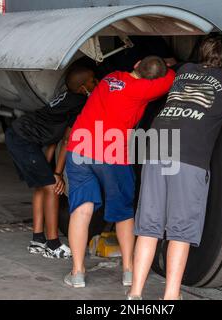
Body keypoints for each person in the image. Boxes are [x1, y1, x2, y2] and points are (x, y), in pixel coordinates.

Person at [129, 37, 222, 300]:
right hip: (188, 158)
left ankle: (135, 294)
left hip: (156, 148)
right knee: (180, 232)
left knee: (149, 228)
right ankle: (171, 296)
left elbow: (169, 66)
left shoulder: (184, 71)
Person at [64, 56, 176, 288]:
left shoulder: (110, 78)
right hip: (111, 152)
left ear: (135, 65)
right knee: (123, 212)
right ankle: (128, 270)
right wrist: (169, 65)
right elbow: (170, 77)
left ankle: (77, 272)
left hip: (79, 147)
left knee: (82, 211)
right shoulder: (146, 88)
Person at [5, 66, 98, 259]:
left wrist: (49, 168)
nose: (95, 82)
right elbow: (66, 140)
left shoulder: (67, 96)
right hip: (23, 139)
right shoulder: (80, 103)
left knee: (42, 186)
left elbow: (53, 139)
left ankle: (38, 240)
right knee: (52, 188)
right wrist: (57, 174)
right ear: (82, 88)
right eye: (92, 81)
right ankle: (53, 245)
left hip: (20, 135)